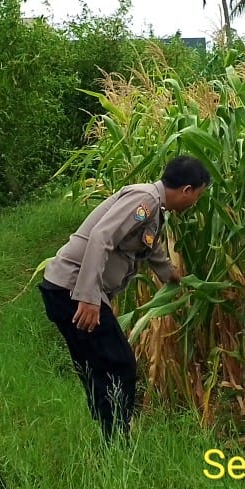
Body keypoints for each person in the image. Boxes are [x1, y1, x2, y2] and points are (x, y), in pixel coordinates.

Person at [39, 155, 211, 441]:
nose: (196, 202)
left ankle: (110, 436)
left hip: (65, 289)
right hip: (73, 290)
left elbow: (149, 247)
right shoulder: (145, 200)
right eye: (198, 195)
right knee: (120, 364)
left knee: (97, 366)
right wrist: (89, 298)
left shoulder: (155, 209)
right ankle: (118, 436)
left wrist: (174, 276)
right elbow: (101, 237)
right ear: (187, 190)